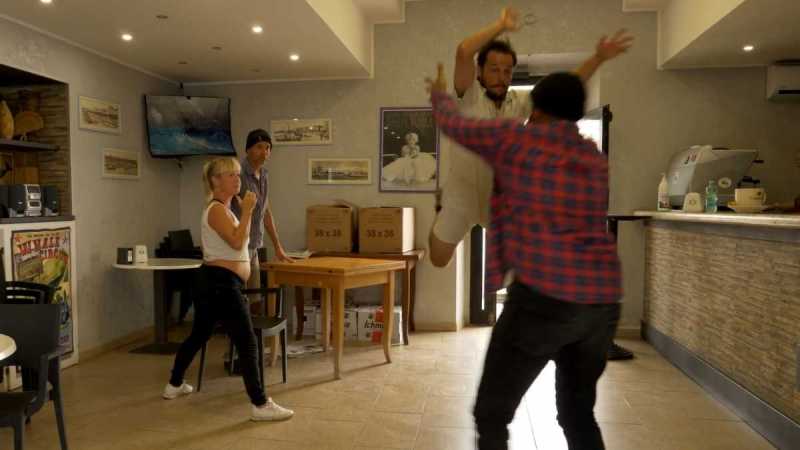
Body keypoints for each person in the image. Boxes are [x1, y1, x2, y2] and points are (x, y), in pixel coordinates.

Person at [427, 62, 623, 449]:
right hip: (601, 303)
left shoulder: (519, 142)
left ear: (537, 110)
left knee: (492, 413)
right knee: (577, 414)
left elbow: (455, 125)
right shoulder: (594, 159)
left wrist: (438, 94)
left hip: (544, 299)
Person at [429, 6, 634, 361]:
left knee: (527, 270)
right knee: (438, 259)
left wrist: (598, 58)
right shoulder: (467, 96)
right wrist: (501, 25)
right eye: (493, 69)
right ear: (480, 73)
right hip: (461, 195)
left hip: (501, 202)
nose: (500, 76)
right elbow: (463, 51)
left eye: (506, 70)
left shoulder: (521, 102)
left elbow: (567, 87)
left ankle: (537, 328)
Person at [163, 157, 293, 422]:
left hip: (217, 283)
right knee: (247, 341)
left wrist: (244, 212)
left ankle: (174, 384)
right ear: (215, 181)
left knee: (199, 335)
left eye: (237, 173)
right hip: (220, 284)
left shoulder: (225, 209)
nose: (237, 179)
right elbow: (236, 243)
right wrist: (247, 211)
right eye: (230, 174)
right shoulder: (216, 210)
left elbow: (237, 241)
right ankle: (260, 404)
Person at [231, 129, 293, 313]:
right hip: (237, 246)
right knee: (240, 302)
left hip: (254, 245)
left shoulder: (264, 175)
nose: (264, 152)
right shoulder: (238, 174)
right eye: (259, 147)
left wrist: (278, 247)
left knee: (255, 300)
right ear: (248, 149)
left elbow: (266, 212)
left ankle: (254, 331)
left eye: (267, 148)